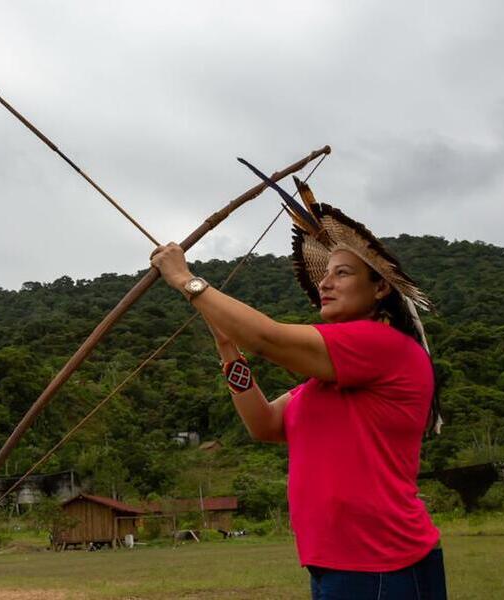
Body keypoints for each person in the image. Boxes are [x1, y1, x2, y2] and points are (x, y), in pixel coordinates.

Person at [149, 177, 447, 599]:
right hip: (338, 565)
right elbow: (264, 423)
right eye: (324, 273)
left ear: (380, 287)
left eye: (342, 273)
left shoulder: (383, 346)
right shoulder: (328, 379)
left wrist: (186, 280)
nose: (325, 282)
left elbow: (268, 338)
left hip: (383, 565)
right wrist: (227, 347)